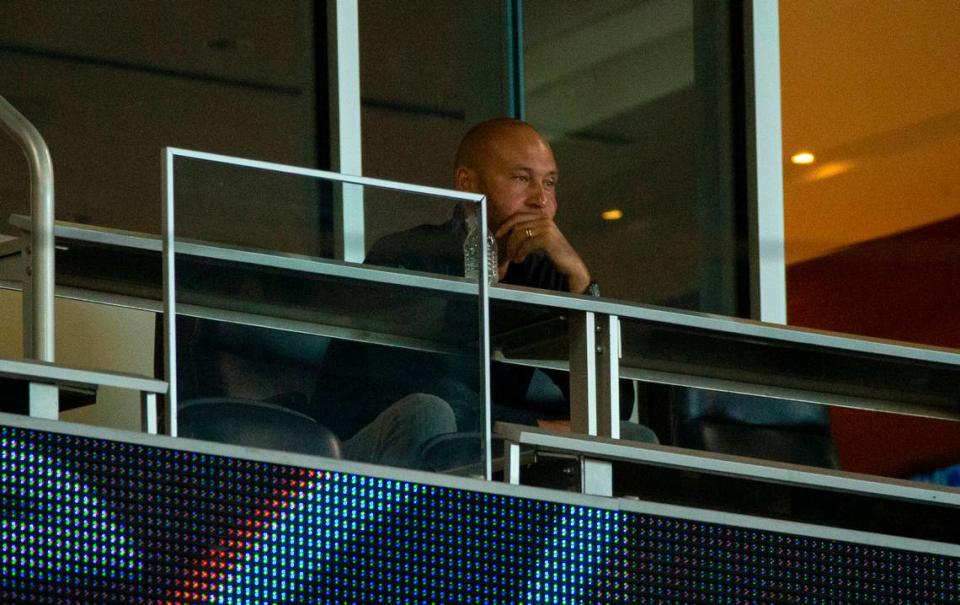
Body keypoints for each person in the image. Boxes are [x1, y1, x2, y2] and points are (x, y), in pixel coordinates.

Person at [310, 118, 648, 469]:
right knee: (432, 413)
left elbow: (614, 407)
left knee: (635, 438)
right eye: (522, 178)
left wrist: (579, 280)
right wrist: (535, 428)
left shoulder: (543, 273)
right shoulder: (410, 253)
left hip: (483, 450)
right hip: (360, 453)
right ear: (467, 184)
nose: (541, 199)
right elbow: (416, 388)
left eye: (550, 183)